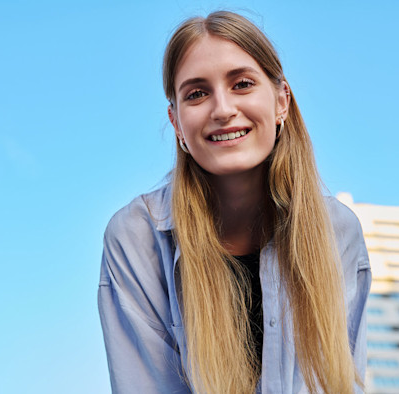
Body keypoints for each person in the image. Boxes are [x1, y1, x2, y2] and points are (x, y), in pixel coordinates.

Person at [98, 10, 372, 394]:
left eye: (242, 84)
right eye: (197, 94)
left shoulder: (337, 232)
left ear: (281, 102)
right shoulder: (137, 238)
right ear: (176, 123)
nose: (223, 110)